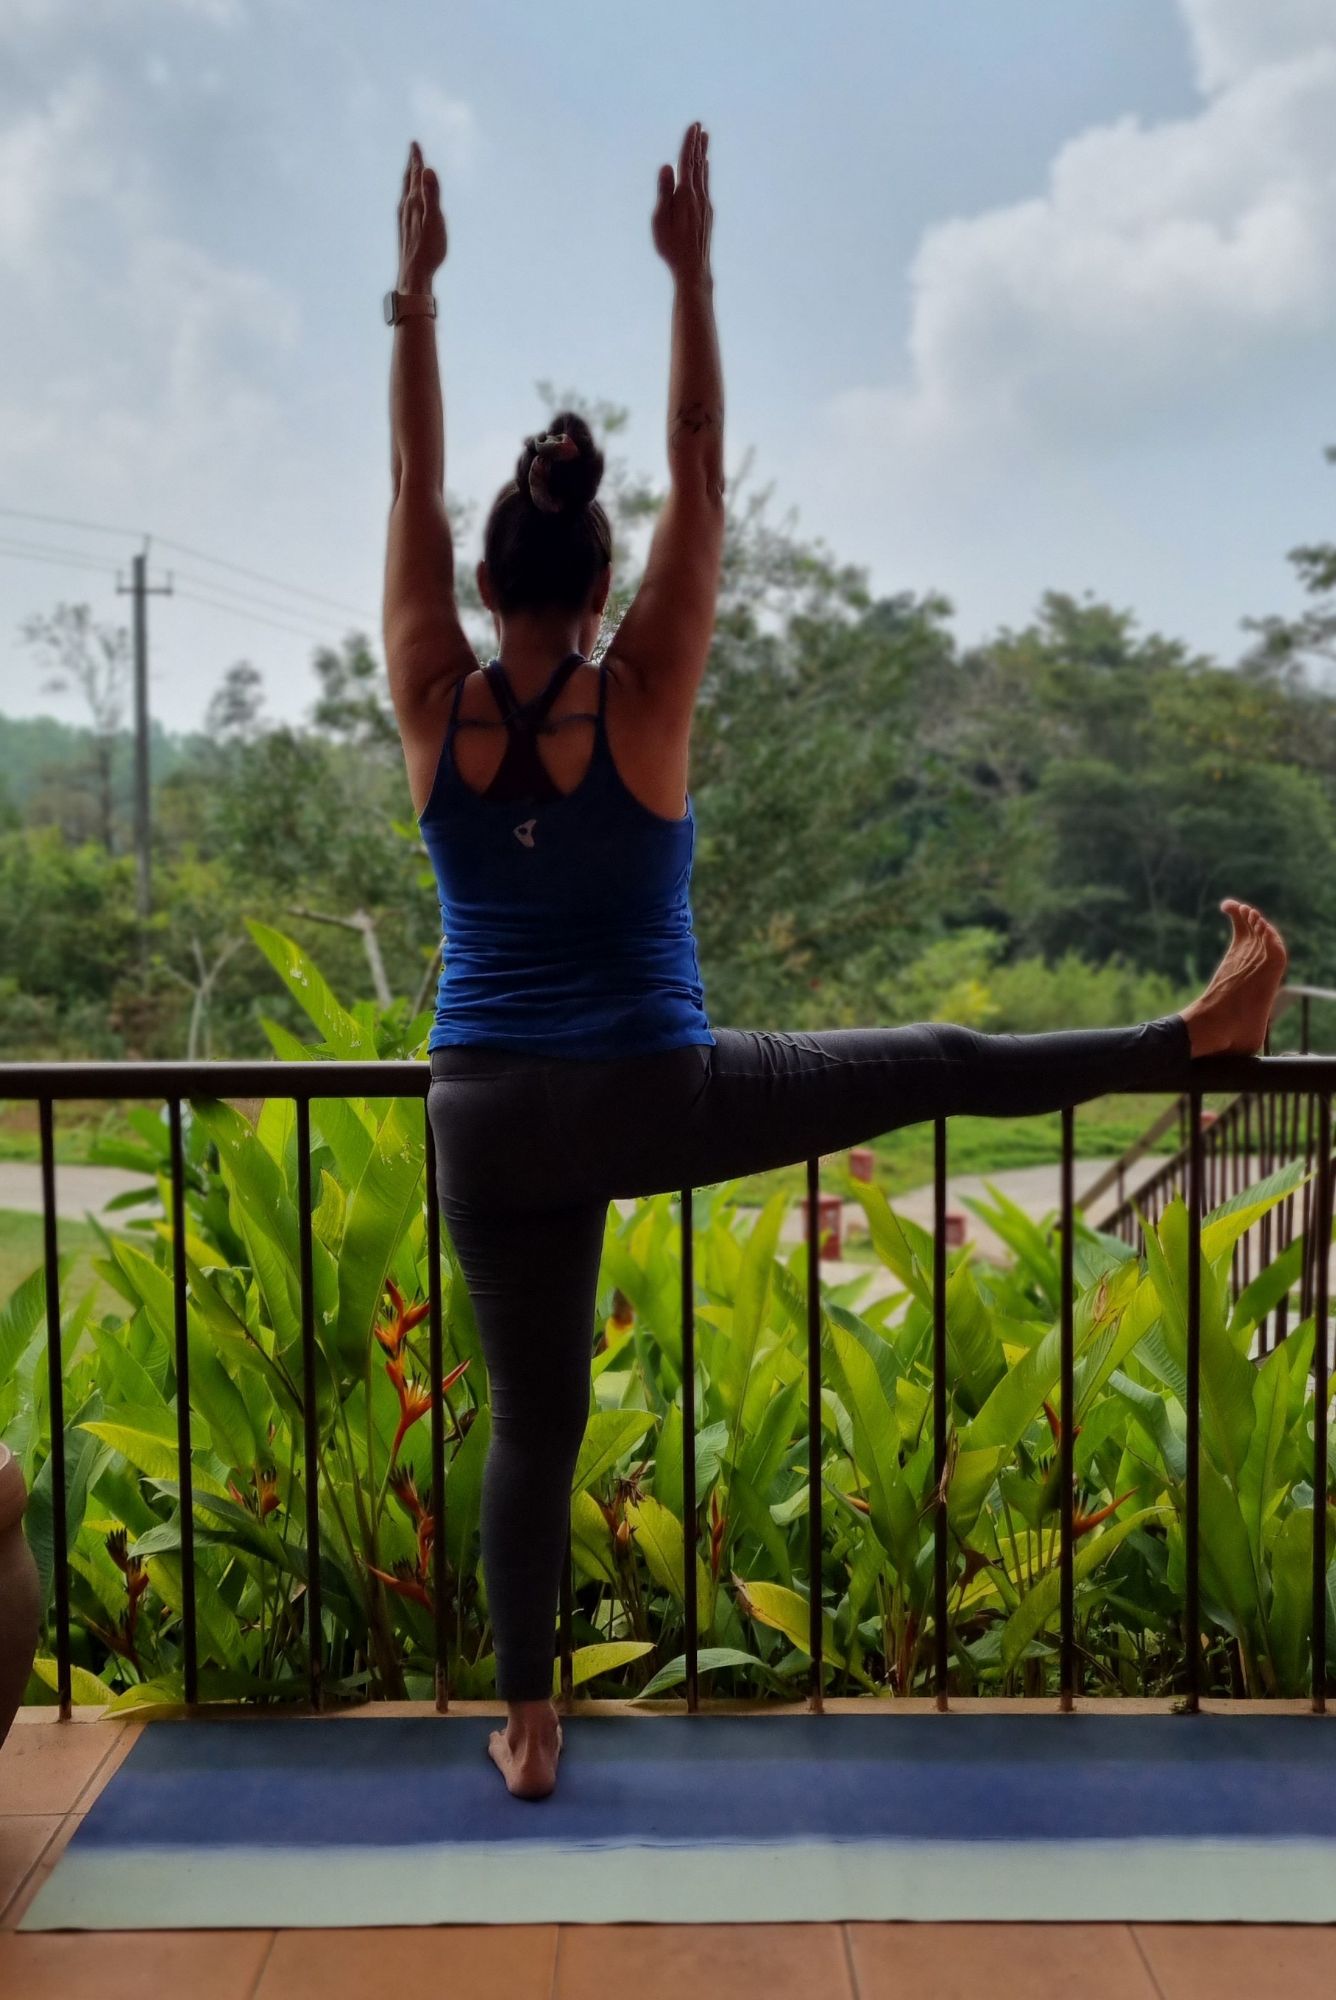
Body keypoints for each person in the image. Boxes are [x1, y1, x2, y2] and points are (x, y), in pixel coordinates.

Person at [382, 123, 1288, 1800]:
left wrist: (417, 300)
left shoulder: (436, 704)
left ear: (486, 580)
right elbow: (703, 475)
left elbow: (405, 492)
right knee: (938, 1062)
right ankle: (1195, 1039)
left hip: (485, 1112)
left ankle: (527, 1723)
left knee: (532, 1422)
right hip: (655, 1091)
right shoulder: (641, 693)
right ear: (600, 585)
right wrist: (692, 275)